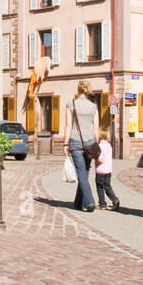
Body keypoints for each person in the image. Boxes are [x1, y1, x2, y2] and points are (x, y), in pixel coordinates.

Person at [62, 81, 100, 211]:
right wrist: (97, 143)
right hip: (90, 142)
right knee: (85, 173)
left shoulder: (71, 104)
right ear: (88, 90)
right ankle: (78, 202)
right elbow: (96, 127)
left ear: (78, 90)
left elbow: (68, 125)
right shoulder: (93, 106)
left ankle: (89, 202)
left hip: (75, 141)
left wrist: (65, 143)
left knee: (81, 174)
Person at [94, 138, 120, 210]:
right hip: (108, 170)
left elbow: (100, 159)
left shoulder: (99, 146)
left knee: (100, 188)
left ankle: (102, 204)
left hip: (101, 170)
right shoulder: (109, 145)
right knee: (107, 186)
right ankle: (115, 200)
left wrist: (94, 157)